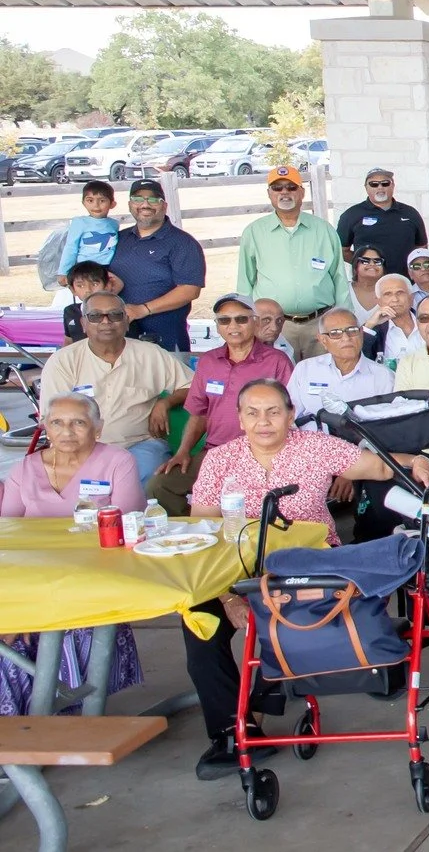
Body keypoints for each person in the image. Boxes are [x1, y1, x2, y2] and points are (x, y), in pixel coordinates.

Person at [182, 380, 429, 778]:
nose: (263, 421)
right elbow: (202, 531)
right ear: (239, 419)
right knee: (198, 624)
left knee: (292, 622)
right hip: (235, 568)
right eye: (252, 413)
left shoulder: (314, 447)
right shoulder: (220, 459)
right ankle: (228, 733)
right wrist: (228, 599)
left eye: (273, 411)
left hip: (307, 565)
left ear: (290, 414)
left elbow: (378, 464)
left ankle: (254, 709)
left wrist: (417, 461)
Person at [0, 392, 146, 718]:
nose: (67, 431)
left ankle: (61, 712)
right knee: (8, 634)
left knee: (60, 626)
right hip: (33, 576)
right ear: (45, 428)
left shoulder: (117, 461)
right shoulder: (25, 468)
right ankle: (17, 722)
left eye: (78, 422)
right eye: (58, 423)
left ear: (98, 428)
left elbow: (125, 521)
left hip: (91, 575)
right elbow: (7, 534)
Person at [150, 294, 295, 514]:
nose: (233, 326)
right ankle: (200, 536)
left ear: (254, 322)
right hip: (215, 453)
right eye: (224, 320)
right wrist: (183, 451)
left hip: (261, 454)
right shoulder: (208, 362)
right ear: (217, 326)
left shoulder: (277, 361)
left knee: (248, 502)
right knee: (160, 486)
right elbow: (199, 414)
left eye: (241, 319)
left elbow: (289, 415)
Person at [40, 291, 189, 483]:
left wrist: (166, 403)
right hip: (79, 448)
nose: (105, 322)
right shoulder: (63, 361)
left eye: (115, 315)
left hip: (140, 445)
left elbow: (194, 385)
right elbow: (52, 417)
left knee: (150, 473)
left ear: (127, 321)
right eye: (95, 316)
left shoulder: (150, 354)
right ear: (83, 324)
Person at [236, 165, 346, 359]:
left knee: (322, 383)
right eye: (277, 188)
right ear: (269, 193)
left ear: (302, 192)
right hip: (275, 326)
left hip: (320, 323)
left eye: (291, 187)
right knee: (277, 383)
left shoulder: (324, 230)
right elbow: (245, 282)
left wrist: (342, 320)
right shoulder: (254, 232)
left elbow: (339, 277)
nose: (284, 192)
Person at [109, 179, 205, 352]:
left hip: (166, 335)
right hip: (119, 334)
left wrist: (142, 310)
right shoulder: (118, 239)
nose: (145, 204)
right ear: (130, 204)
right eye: (138, 199)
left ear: (164, 205)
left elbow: (190, 289)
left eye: (153, 200)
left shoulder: (182, 243)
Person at [286, 306, 395, 423]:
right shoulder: (305, 369)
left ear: (361, 333)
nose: (346, 338)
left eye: (352, 330)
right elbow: (289, 417)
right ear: (323, 340)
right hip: (313, 438)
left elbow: (388, 424)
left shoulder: (383, 376)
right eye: (335, 333)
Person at [338, 168, 429, 286]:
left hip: (406, 283)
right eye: (374, 184)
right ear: (366, 187)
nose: (380, 187)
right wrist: (365, 264)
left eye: (385, 183)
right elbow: (341, 250)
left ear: (393, 186)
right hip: (368, 285)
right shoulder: (351, 215)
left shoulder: (410, 213)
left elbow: (421, 247)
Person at [56, 178, 120, 286]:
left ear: (112, 204)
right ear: (83, 203)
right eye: (90, 200)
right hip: (85, 268)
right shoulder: (80, 222)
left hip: (108, 269)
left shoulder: (114, 224)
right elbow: (71, 247)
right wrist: (63, 272)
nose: (96, 205)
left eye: (102, 201)